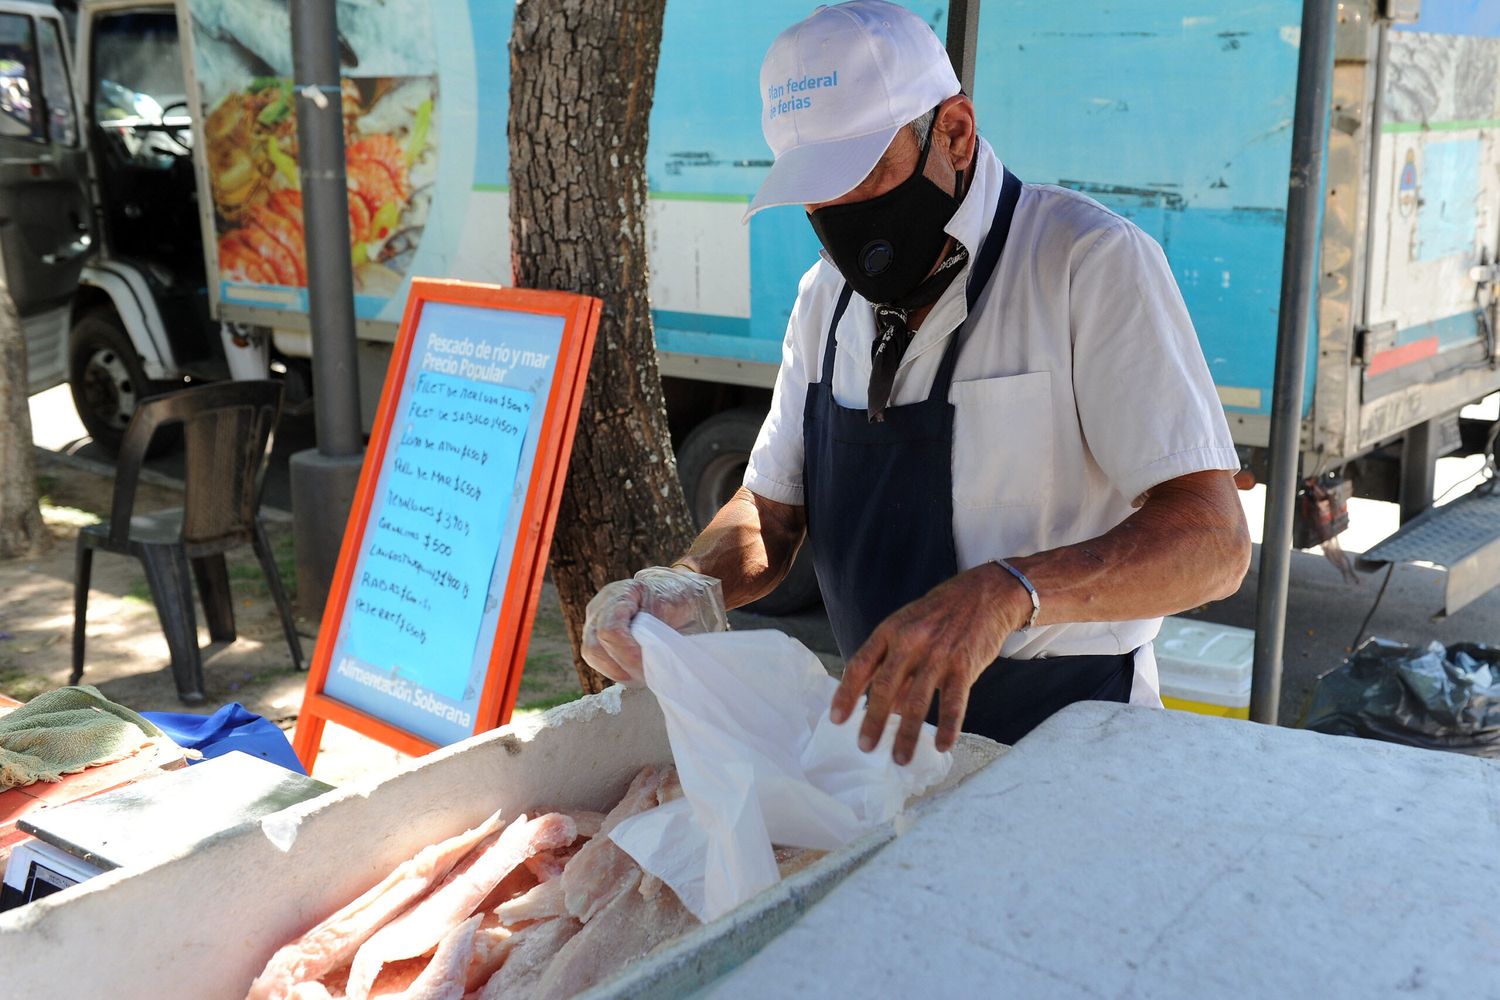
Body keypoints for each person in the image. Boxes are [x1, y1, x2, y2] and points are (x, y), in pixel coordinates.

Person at [582, 0, 1251, 764]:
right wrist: (687, 582)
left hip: (1070, 740)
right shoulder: (823, 298)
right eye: (815, 191)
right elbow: (769, 516)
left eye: (863, 177)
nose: (840, 217)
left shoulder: (1086, 263)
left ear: (955, 132)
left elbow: (1214, 542)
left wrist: (1008, 593)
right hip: (886, 748)